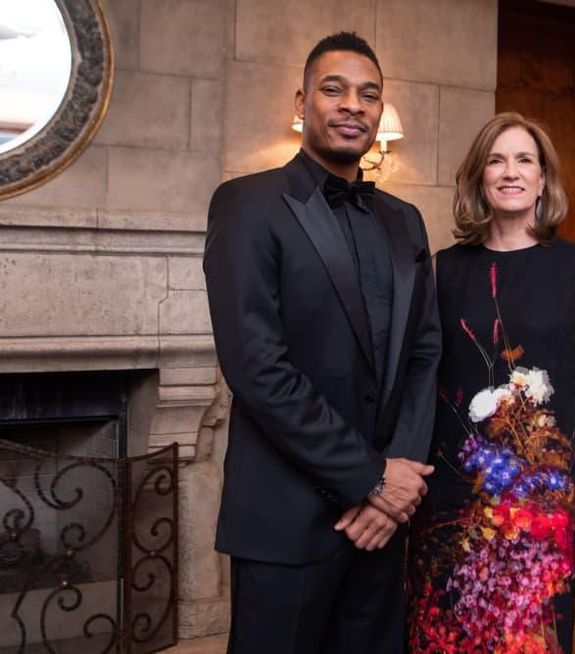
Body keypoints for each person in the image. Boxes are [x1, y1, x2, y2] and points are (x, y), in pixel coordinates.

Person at [203, 32, 440, 653]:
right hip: (286, 521)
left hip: (382, 527)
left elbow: (424, 355)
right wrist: (369, 477)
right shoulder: (246, 204)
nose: (353, 105)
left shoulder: (406, 220)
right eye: (334, 90)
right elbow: (258, 369)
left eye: (369, 95)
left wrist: (397, 488)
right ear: (302, 100)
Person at [406, 112, 575, 653]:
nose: (510, 172)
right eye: (496, 160)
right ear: (479, 179)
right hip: (450, 500)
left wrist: (541, 482)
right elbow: (421, 380)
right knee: (446, 634)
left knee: (528, 640)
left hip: (538, 508)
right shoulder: (441, 270)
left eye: (524, 160)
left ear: (544, 179)